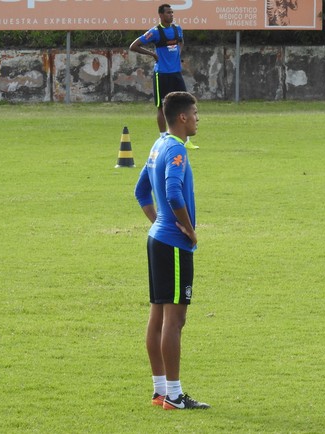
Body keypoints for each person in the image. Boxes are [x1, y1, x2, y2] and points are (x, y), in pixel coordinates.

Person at [134, 91, 210, 411]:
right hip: (174, 245)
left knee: (157, 318)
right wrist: (188, 230)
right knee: (174, 321)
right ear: (182, 117)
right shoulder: (177, 150)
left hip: (157, 240)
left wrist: (159, 222)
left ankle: (160, 391)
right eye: (194, 113)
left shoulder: (157, 144)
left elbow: (141, 192)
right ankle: (175, 396)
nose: (197, 118)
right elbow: (173, 190)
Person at [129, 4, 187, 135]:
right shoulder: (155, 32)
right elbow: (133, 46)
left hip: (176, 73)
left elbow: (181, 41)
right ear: (160, 15)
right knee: (162, 106)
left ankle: (185, 138)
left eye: (172, 12)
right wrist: (152, 54)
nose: (171, 15)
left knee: (184, 104)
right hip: (162, 74)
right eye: (168, 13)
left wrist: (178, 53)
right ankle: (163, 137)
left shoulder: (178, 29)